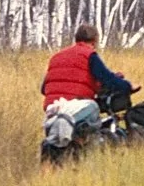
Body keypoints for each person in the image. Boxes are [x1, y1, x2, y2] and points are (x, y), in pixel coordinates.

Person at [41, 23, 132, 151]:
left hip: (52, 108)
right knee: (93, 108)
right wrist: (127, 86)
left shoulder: (56, 57)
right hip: (75, 108)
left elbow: (44, 88)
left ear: (76, 39)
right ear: (94, 41)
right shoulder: (89, 55)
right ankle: (85, 142)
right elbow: (107, 78)